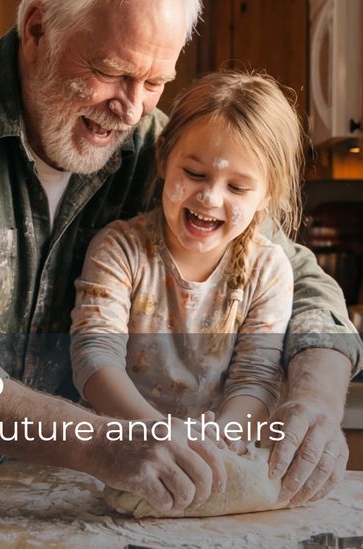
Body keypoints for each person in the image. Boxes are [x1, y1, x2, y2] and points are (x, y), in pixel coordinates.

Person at [0, 1, 362, 547]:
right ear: (36, 27)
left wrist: (314, 399)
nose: (130, 107)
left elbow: (299, 276)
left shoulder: (149, 145)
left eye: (154, 82)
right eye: (110, 71)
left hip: (16, 505)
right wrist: (103, 441)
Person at [71, 71, 302, 453]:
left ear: (267, 194)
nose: (210, 198)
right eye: (194, 174)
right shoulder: (120, 249)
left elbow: (255, 379)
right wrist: (156, 434)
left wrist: (220, 441)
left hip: (216, 459)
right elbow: (94, 356)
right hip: (118, 453)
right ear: (163, 157)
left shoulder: (268, 271)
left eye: (237, 187)